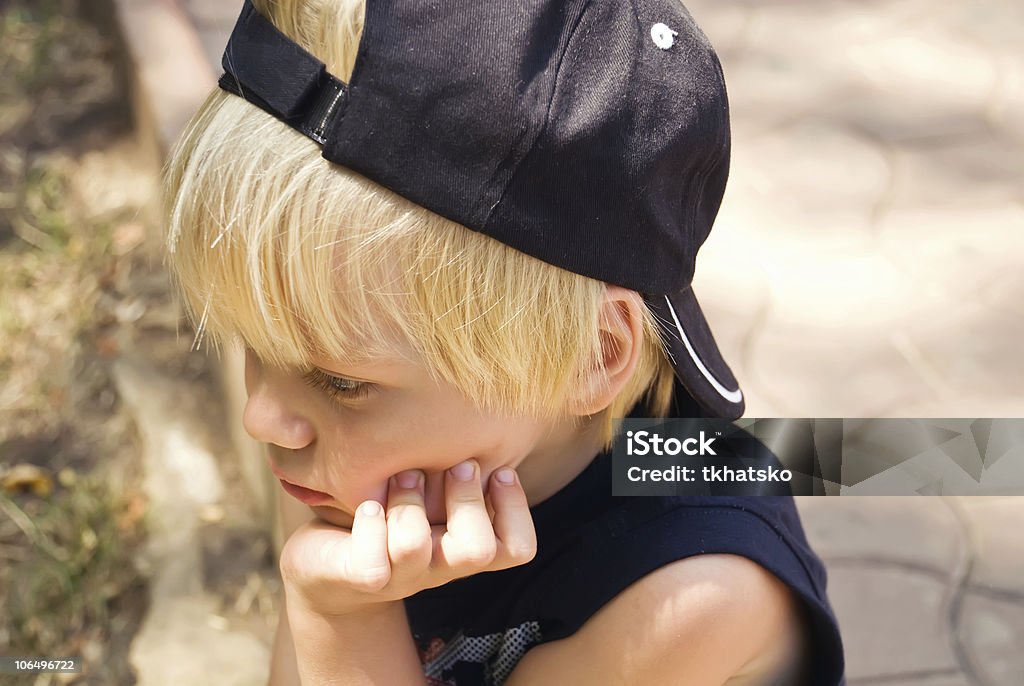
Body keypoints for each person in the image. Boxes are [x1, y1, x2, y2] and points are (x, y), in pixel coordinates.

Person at [163, 0, 845, 683]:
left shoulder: (689, 593)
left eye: (341, 379)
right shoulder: (342, 441)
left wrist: (339, 618)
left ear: (592, 356)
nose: (262, 418)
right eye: (252, 342)